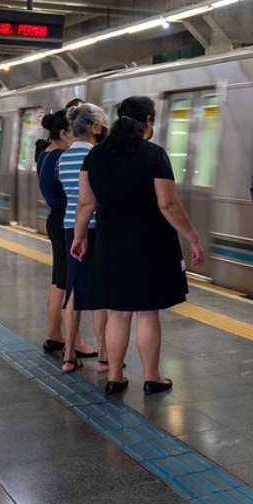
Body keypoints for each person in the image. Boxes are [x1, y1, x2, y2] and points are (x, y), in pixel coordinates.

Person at [70, 96, 204, 395]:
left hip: (110, 242)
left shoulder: (95, 155)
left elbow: (85, 203)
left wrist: (79, 237)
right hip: (150, 242)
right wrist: (193, 237)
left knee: (118, 311)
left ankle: (115, 377)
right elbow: (167, 204)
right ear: (148, 121)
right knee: (146, 312)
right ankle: (152, 377)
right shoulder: (154, 154)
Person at [38, 108, 97, 358]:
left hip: (56, 218)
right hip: (68, 220)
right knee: (69, 283)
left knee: (59, 282)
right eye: (71, 133)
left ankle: (54, 335)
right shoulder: (62, 156)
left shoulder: (44, 154)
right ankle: (76, 342)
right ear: (63, 133)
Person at [57, 103, 109, 373]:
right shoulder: (98, 154)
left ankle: (68, 356)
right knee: (100, 291)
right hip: (96, 226)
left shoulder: (63, 158)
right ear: (94, 127)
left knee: (74, 289)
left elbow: (71, 196)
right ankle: (104, 357)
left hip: (70, 227)